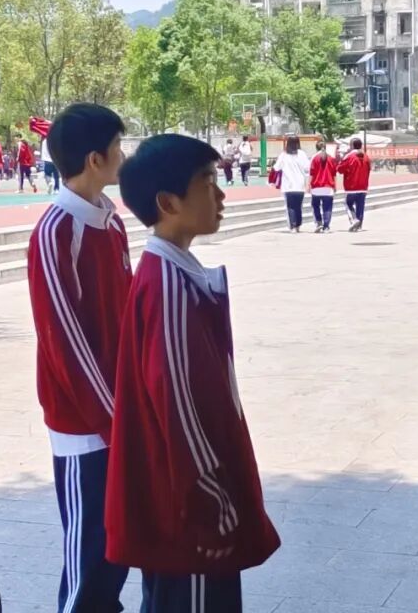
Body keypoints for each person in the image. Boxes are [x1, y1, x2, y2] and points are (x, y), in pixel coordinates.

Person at [107, 134, 281, 612]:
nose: (221, 195)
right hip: (187, 517)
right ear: (168, 202)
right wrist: (210, 502)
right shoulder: (168, 287)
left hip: (182, 507)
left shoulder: (175, 274)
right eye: (208, 182)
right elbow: (180, 407)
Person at [25, 103, 131, 612]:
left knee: (118, 552)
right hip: (84, 426)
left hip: (123, 416)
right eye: (117, 147)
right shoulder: (55, 232)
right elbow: (66, 343)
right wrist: (115, 419)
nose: (123, 155)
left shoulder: (112, 224)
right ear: (95, 159)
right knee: (88, 559)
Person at [272, 135, 310, 233]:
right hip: (300, 184)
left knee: (290, 206)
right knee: (298, 206)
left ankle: (292, 226)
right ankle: (298, 225)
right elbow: (307, 167)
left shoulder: (284, 155)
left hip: (288, 185)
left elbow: (276, 167)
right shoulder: (302, 154)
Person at [337, 137, 371, 232]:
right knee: (360, 206)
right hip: (363, 186)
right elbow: (369, 169)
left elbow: (340, 169)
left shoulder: (349, 156)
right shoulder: (366, 157)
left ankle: (354, 220)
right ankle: (359, 225)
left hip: (351, 186)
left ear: (351, 146)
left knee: (348, 204)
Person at [309, 140, 338, 233]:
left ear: (316, 148)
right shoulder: (331, 159)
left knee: (315, 206)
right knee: (327, 208)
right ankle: (326, 227)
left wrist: (308, 185)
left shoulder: (314, 158)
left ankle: (319, 222)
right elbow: (334, 174)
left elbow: (311, 173)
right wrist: (335, 186)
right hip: (328, 187)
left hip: (316, 187)